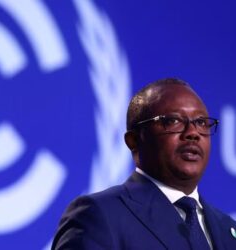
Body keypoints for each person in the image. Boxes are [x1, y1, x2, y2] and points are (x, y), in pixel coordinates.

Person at [51, 78, 236, 250]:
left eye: (201, 122)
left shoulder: (227, 228)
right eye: (173, 121)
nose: (193, 133)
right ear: (133, 140)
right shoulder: (98, 215)